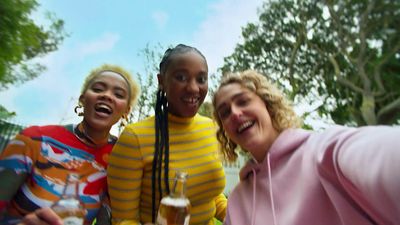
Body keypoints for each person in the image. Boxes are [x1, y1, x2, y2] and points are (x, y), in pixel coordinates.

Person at [212, 70, 400, 225]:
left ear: (267, 104)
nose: (235, 113)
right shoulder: (237, 202)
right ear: (225, 131)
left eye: (243, 101)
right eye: (225, 112)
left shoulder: (325, 152)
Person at [0, 64, 140, 225]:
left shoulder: (121, 156)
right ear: (82, 99)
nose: (107, 96)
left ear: (126, 112)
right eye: (98, 89)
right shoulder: (35, 139)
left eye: (118, 94)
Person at [107, 44, 227, 225]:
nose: (194, 88)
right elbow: (124, 219)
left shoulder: (211, 128)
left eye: (201, 79)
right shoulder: (135, 138)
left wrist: (240, 215)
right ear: (161, 81)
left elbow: (210, 194)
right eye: (181, 77)